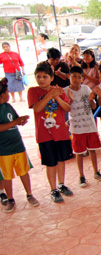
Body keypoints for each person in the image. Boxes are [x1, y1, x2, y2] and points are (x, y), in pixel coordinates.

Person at [27, 63, 73, 203]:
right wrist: (50, 95)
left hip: (61, 133)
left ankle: (61, 184)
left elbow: (67, 108)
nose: (41, 79)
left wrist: (57, 97)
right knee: (51, 163)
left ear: (51, 78)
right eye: (38, 77)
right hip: (44, 135)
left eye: (45, 77)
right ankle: (53, 189)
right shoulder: (33, 91)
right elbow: (37, 108)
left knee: (61, 160)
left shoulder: (58, 90)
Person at [0, 77, 39, 212]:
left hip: (17, 145)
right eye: (7, 92)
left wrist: (21, 120)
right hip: (3, 149)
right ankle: (10, 198)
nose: (9, 93)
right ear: (2, 95)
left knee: (23, 171)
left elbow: (15, 120)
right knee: (6, 175)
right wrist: (15, 122)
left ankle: (30, 194)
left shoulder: (8, 106)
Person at [64, 66, 101, 187]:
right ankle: (81, 176)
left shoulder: (86, 89)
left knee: (92, 150)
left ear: (82, 78)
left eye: (79, 77)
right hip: (76, 127)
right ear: (69, 77)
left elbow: (93, 107)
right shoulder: (65, 91)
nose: (76, 79)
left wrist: (92, 99)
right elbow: (65, 108)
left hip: (89, 125)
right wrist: (70, 100)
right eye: (73, 76)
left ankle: (96, 172)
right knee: (79, 152)